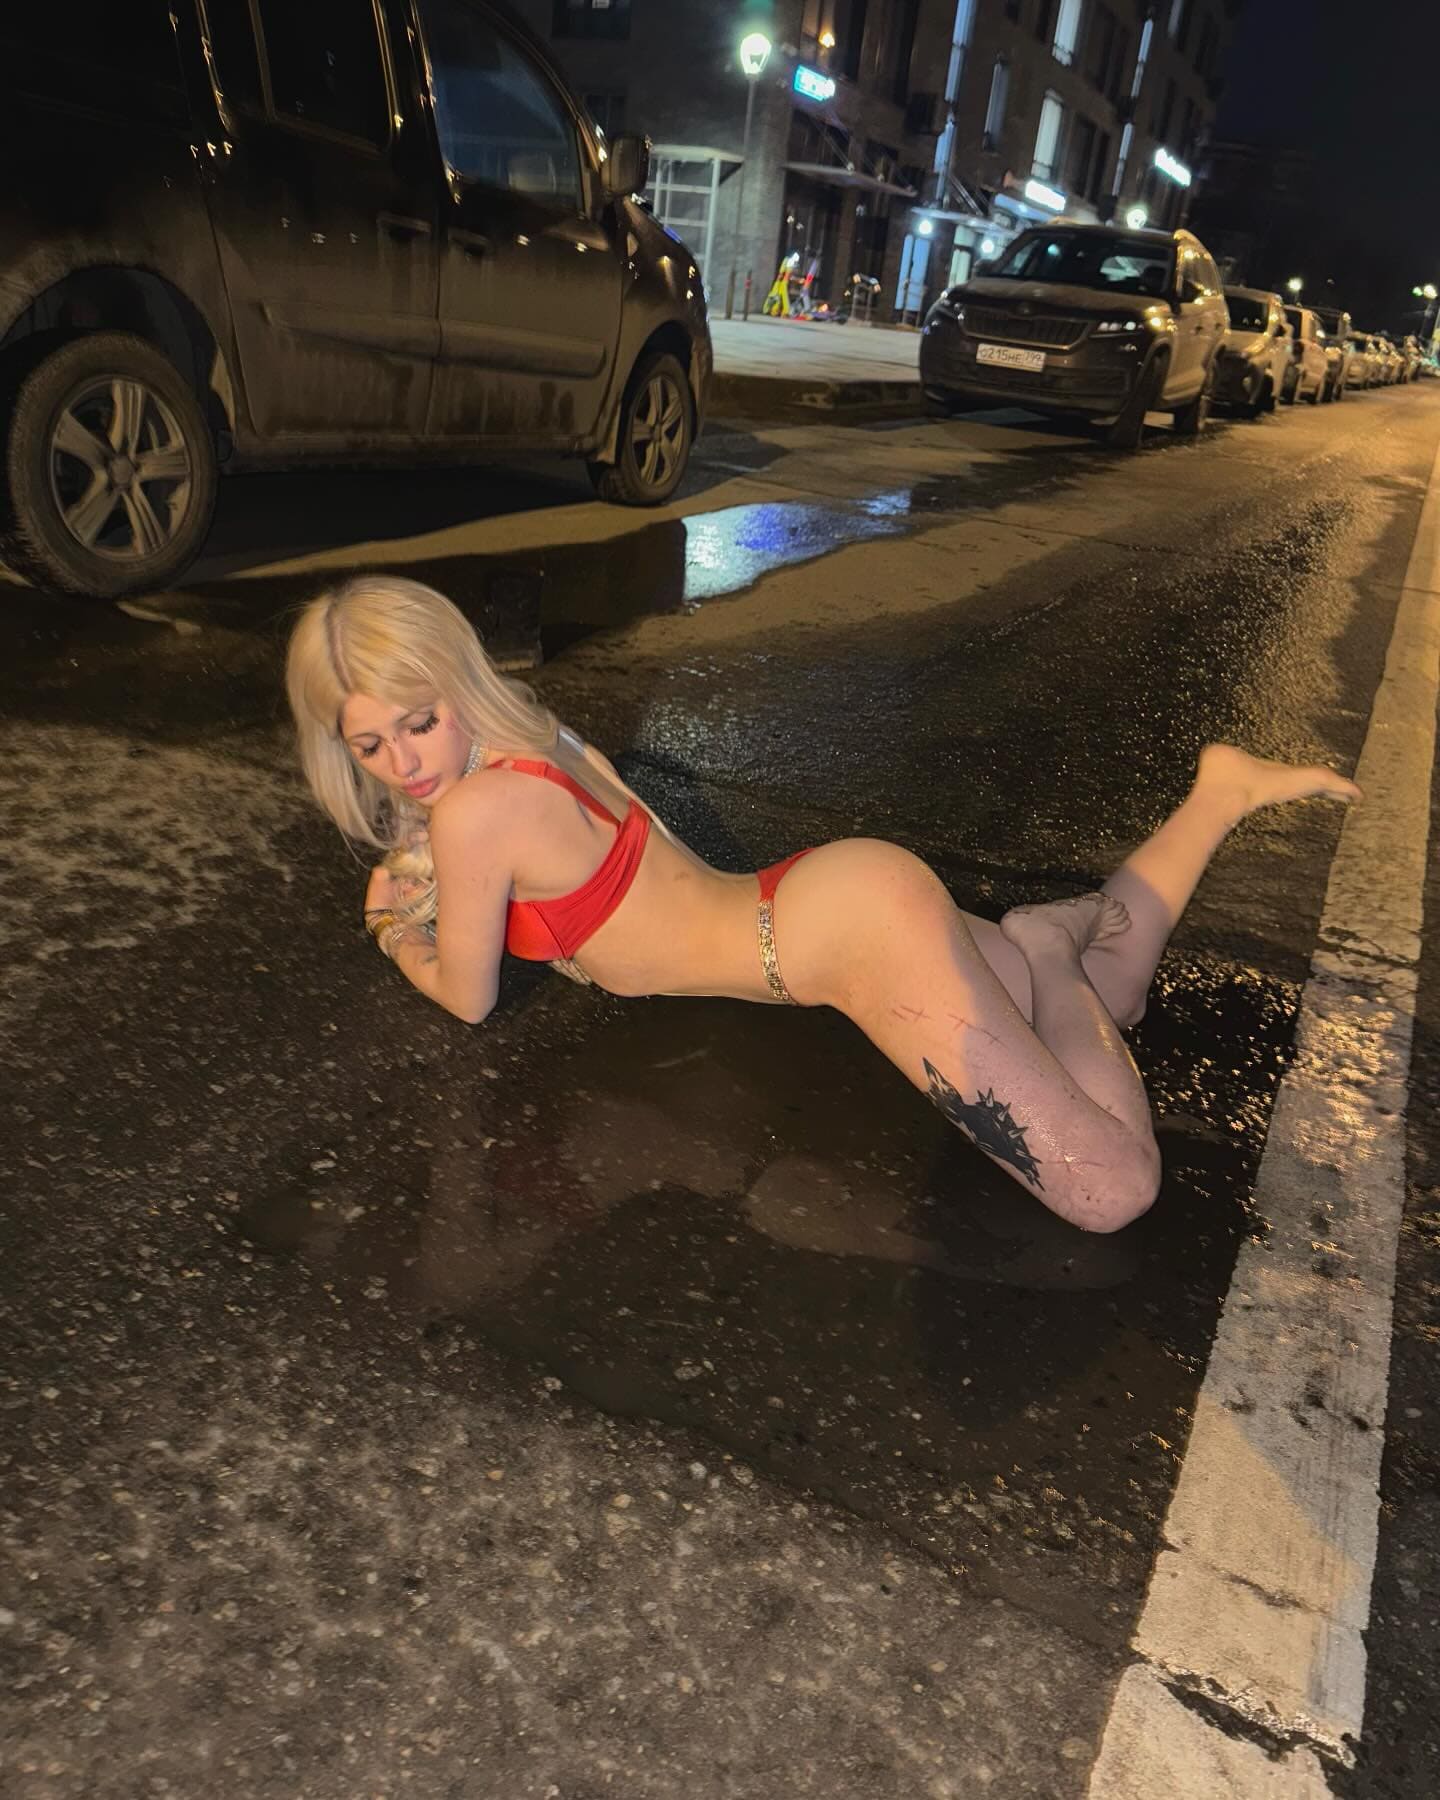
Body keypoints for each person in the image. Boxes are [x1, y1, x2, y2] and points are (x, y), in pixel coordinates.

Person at [285, 575, 1362, 1237]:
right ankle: (1220, 793)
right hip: (820, 899)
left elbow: (467, 995)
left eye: (418, 723)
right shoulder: (534, 739)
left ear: (455, 683)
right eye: (368, 744)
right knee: (1108, 999)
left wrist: (393, 928)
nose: (403, 763)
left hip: (842, 937)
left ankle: (1046, 941)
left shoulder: (476, 814)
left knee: (1110, 1188)